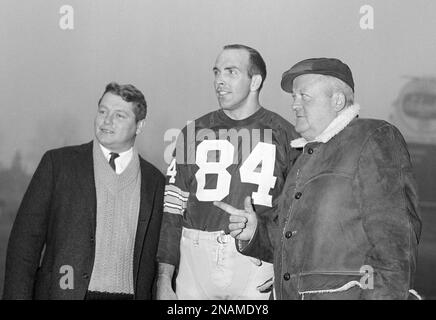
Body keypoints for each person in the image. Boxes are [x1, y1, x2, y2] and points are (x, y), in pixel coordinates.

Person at [215, 57, 423, 300]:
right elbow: (294, 244)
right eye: (294, 97)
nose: (295, 105)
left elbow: (394, 246)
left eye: (305, 96)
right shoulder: (304, 157)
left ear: (337, 101)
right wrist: (256, 232)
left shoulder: (373, 137)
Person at [156, 44, 299, 300]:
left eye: (231, 72)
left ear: (255, 81)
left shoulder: (287, 136)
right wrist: (164, 278)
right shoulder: (192, 133)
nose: (219, 81)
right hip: (195, 258)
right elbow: (173, 210)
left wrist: (283, 264)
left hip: (256, 261)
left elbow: (297, 217)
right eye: (216, 72)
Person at [3, 82, 165, 300]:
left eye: (119, 115)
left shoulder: (155, 182)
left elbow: (159, 258)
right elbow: (23, 247)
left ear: (139, 125)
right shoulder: (58, 164)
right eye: (103, 111)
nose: (107, 121)